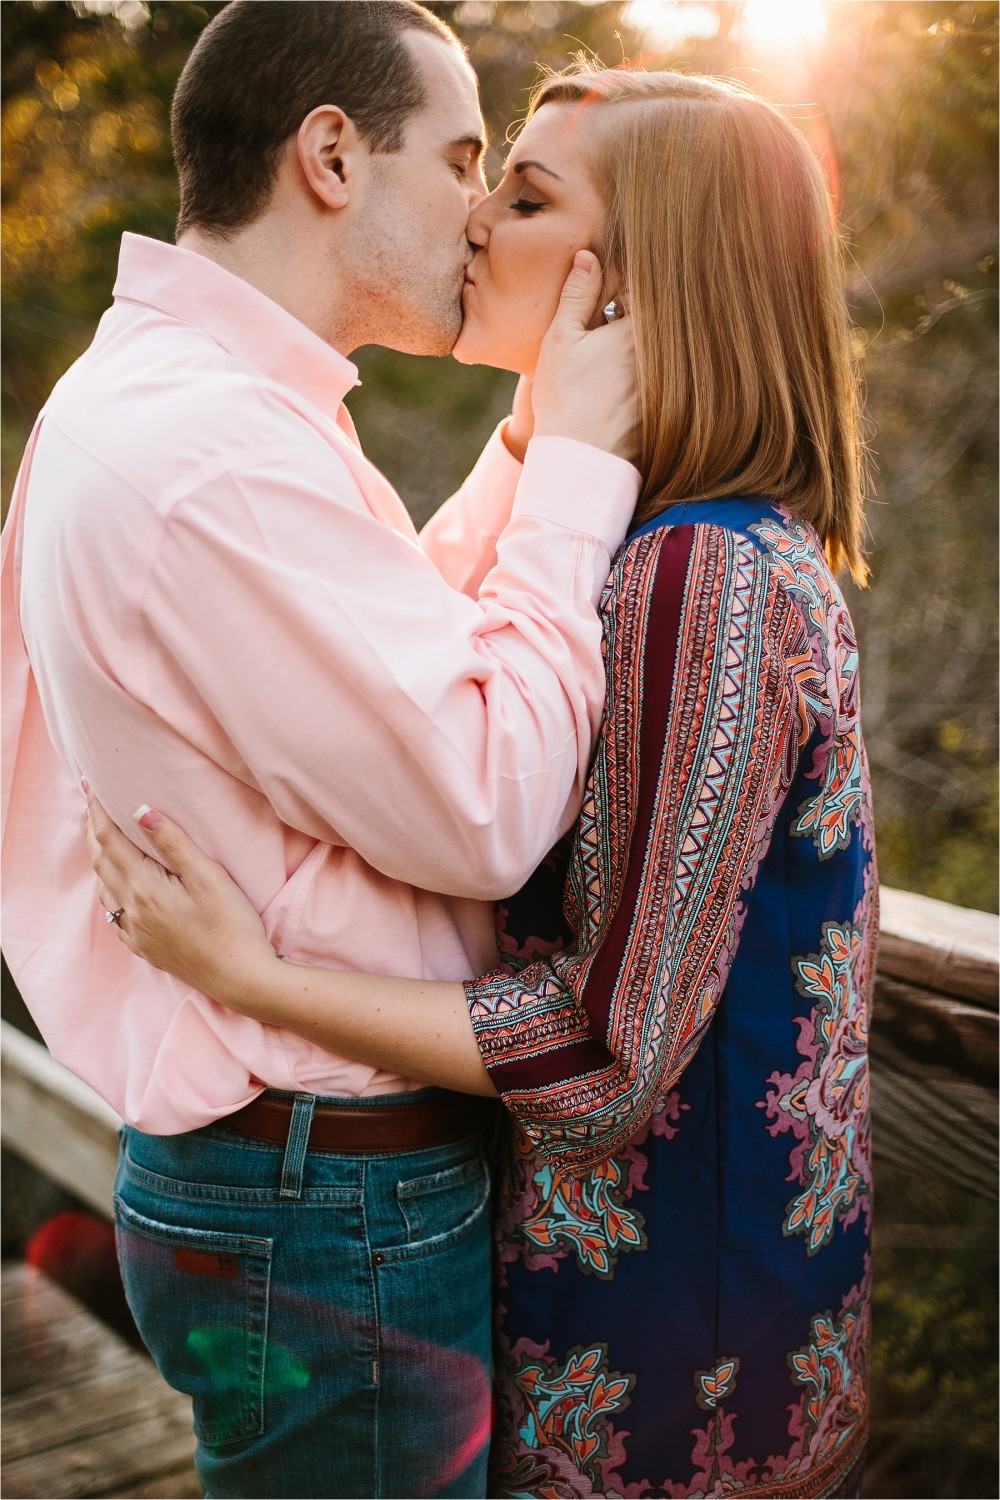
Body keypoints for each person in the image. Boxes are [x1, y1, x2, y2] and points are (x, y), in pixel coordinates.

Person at [88, 67, 876, 1500]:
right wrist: (545, 444)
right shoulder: (678, 545)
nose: (471, 221)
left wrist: (253, 978)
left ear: (632, 282)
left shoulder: (696, 579)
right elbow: (434, 676)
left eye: (520, 194)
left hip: (663, 1358)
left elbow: (607, 1054)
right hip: (645, 1308)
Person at [0, 4, 642, 1497]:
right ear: (334, 157)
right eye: (465, 156)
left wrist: (534, 442)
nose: (484, 209)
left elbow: (358, 668)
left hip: (277, 1179)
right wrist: (588, 477)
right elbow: (485, 804)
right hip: (328, 1201)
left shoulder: (165, 405)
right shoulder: (209, 452)